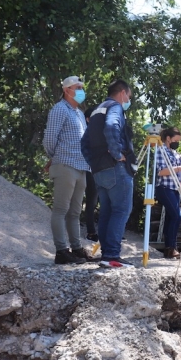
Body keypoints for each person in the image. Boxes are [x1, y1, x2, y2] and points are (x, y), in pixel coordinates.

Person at [81, 80, 135, 266]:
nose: (128, 100)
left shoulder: (97, 110)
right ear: (122, 93)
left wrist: (93, 162)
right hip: (115, 168)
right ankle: (112, 256)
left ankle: (106, 256)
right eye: (129, 96)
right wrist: (117, 153)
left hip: (99, 170)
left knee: (106, 212)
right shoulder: (115, 107)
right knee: (121, 210)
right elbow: (112, 127)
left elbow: (84, 141)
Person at [42, 76, 92, 265]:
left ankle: (76, 249)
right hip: (65, 165)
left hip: (81, 167)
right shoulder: (59, 109)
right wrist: (56, 157)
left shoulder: (79, 112)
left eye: (81, 87)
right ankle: (61, 251)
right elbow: (49, 139)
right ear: (66, 90)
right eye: (77, 87)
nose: (80, 90)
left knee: (75, 212)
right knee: (61, 209)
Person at [155, 127, 181, 259]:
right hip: (164, 187)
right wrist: (180, 168)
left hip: (175, 187)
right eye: (176, 140)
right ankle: (171, 247)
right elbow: (161, 171)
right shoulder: (161, 150)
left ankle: (170, 248)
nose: (177, 143)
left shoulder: (175, 153)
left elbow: (178, 172)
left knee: (170, 217)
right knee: (177, 216)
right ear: (168, 138)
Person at [83, 107, 99, 242]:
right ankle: (91, 231)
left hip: (100, 170)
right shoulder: (85, 133)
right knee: (91, 202)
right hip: (89, 170)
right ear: (88, 119)